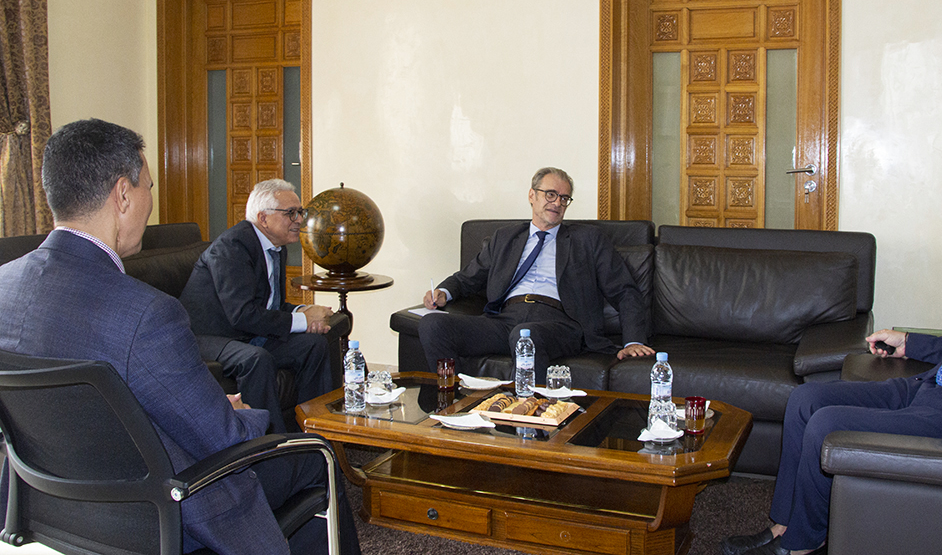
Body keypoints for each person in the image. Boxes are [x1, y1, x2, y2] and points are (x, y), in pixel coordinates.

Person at [0, 119, 360, 554]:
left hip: (50, 507)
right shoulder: (145, 312)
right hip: (160, 511)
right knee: (313, 455)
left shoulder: (4, 285)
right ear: (123, 194)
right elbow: (222, 439)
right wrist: (244, 413)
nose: (151, 200)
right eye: (149, 186)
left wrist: (206, 407)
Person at [719, 167, 942, 555]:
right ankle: (786, 525)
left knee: (828, 422)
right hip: (932, 388)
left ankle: (801, 546)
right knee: (807, 400)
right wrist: (911, 343)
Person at [419, 166, 654, 375]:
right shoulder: (504, 237)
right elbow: (469, 277)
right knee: (434, 325)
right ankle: (452, 404)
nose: (557, 203)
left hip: (560, 324)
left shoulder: (588, 239)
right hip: (505, 321)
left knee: (525, 335)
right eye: (550, 194)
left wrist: (632, 341)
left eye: (564, 198)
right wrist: (444, 291)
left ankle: (526, 416)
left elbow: (624, 290)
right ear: (532, 195)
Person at [180, 179, 334, 433]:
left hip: (246, 333)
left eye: (301, 212)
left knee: (313, 345)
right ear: (263, 218)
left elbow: (269, 304)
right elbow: (242, 314)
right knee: (255, 360)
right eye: (291, 213)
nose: (299, 220)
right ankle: (270, 447)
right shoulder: (232, 247)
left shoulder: (276, 247)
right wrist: (303, 321)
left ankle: (315, 433)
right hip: (207, 336)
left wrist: (302, 311)